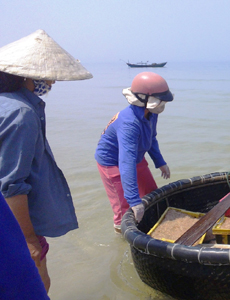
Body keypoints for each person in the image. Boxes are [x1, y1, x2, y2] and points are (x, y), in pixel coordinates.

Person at [0, 29, 92, 292]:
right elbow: (11, 185)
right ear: (26, 76)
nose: (51, 83)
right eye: (47, 76)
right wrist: (29, 241)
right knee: (38, 286)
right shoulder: (22, 113)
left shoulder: (5, 104)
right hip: (13, 224)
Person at [95, 72, 173, 233]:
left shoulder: (151, 113)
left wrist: (160, 162)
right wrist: (134, 200)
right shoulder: (129, 123)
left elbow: (151, 138)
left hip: (135, 157)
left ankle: (150, 224)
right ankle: (122, 236)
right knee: (124, 208)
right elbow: (126, 162)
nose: (162, 104)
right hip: (112, 162)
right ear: (145, 99)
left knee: (151, 193)